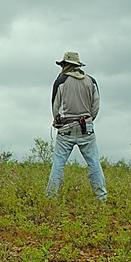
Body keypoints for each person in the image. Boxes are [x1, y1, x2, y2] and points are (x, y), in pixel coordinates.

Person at [45, 51, 108, 201]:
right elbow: (96, 107)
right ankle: (101, 197)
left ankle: (50, 197)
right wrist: (88, 120)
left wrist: (57, 121)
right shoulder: (91, 81)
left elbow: (55, 106)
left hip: (66, 128)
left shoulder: (61, 81)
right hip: (86, 127)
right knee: (94, 163)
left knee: (58, 164)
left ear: (66, 65)